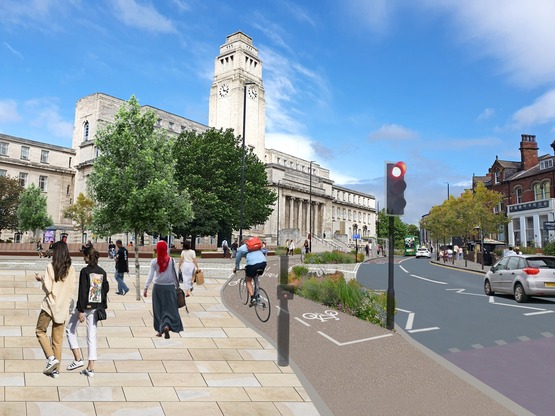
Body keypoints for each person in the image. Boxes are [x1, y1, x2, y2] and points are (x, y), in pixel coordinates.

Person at [65, 247, 109, 377]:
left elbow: (83, 291)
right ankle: (90, 368)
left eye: (84, 256)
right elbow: (105, 289)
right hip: (96, 308)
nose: (83, 258)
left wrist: (80, 310)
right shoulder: (102, 272)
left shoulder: (85, 271)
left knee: (69, 329)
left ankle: (78, 358)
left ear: (88, 257)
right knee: (91, 336)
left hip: (84, 307)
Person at [35, 241, 76, 378]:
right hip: (63, 307)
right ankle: (56, 370)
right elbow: (71, 290)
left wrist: (41, 279)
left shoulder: (50, 267)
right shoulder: (71, 270)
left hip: (49, 305)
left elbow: (48, 288)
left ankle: (51, 358)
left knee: (40, 331)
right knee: (57, 340)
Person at [143, 240, 184, 339]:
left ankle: (160, 330)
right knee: (169, 309)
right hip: (169, 287)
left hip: (157, 287)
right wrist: (177, 286)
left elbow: (150, 275)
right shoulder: (172, 260)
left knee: (158, 309)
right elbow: (175, 276)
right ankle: (167, 325)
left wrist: (146, 287)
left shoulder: (154, 262)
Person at [233, 237, 267, 307]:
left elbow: (237, 260)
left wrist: (236, 268)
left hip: (252, 264)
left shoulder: (241, 248)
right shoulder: (255, 245)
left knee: (248, 280)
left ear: (242, 243)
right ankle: (257, 294)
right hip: (263, 262)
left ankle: (252, 298)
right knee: (256, 277)